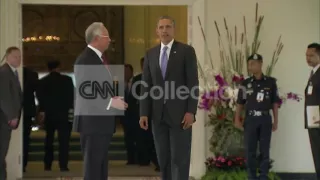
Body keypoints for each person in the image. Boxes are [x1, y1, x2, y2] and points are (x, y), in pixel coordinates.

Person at [139, 16, 199, 180]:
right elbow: (146, 85)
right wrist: (144, 113)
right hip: (158, 116)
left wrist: (191, 111)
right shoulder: (150, 54)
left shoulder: (186, 51)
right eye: (161, 27)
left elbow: (193, 83)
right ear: (157, 31)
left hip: (181, 116)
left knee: (179, 159)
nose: (164, 30)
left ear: (174, 29)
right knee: (163, 159)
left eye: (168, 27)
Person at [73, 22, 128, 180]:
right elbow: (86, 91)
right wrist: (110, 103)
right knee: (93, 168)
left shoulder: (98, 58)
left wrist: (113, 98)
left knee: (100, 167)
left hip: (99, 123)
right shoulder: (85, 59)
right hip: (92, 123)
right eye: (107, 37)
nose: (110, 40)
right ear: (97, 38)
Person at [234, 53, 280, 180]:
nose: (250, 66)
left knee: (265, 150)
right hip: (250, 120)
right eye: (249, 64)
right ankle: (252, 176)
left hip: (265, 119)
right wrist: (237, 118)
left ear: (260, 64)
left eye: (253, 64)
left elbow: (275, 103)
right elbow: (240, 103)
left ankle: (264, 176)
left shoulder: (271, 82)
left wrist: (276, 120)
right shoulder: (245, 83)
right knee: (250, 150)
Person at [36, 60, 74, 171]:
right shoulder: (67, 80)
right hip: (63, 114)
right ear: (59, 67)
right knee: (64, 142)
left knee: (49, 141)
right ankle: (63, 165)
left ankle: (48, 164)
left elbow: (40, 98)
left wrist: (43, 110)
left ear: (48, 68)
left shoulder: (43, 81)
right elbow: (70, 97)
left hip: (49, 115)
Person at [0, 46, 23, 179]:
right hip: (3, 120)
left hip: (5, 120)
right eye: (15, 56)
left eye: (20, 56)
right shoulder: (4, 72)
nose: (18, 59)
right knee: (1, 152)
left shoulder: (11, 72)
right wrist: (11, 116)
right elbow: (3, 97)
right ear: (8, 57)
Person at [304, 43, 320, 179]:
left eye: (311, 55)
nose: (308, 58)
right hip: (313, 121)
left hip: (318, 121)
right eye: (306, 55)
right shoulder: (314, 73)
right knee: (317, 155)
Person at [22, 66, 39, 172]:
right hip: (28, 108)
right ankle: (23, 164)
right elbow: (37, 91)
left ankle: (22, 163)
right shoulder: (33, 74)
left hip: (23, 108)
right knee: (26, 138)